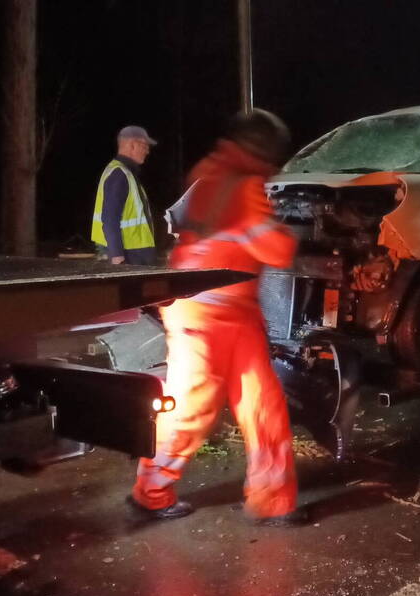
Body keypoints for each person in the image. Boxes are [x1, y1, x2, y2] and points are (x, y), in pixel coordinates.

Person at [128, 109, 307, 526]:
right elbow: (276, 251)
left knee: (263, 403)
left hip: (224, 309)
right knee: (193, 409)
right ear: (264, 152)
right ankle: (149, 494)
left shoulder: (209, 172)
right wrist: (291, 232)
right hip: (206, 312)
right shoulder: (244, 186)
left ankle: (275, 500)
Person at [90, 126, 158, 265]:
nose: (147, 151)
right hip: (130, 256)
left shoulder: (126, 173)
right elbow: (109, 218)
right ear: (132, 145)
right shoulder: (119, 174)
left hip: (135, 254)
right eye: (144, 146)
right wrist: (117, 256)